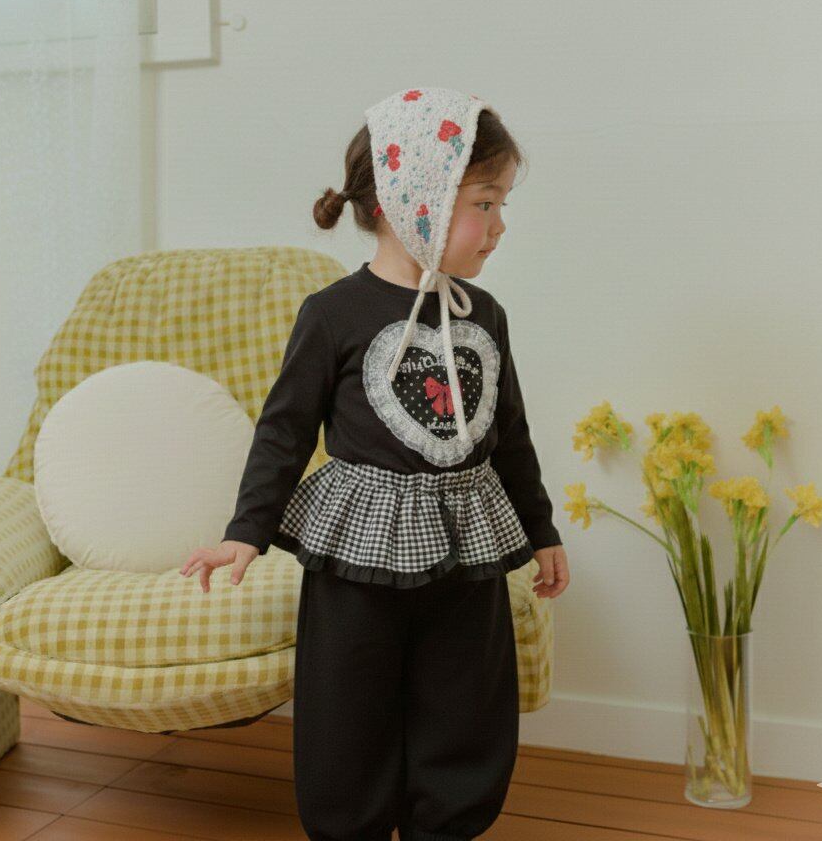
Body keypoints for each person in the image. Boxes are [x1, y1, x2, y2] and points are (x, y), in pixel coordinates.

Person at [181, 86, 570, 841]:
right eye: (483, 203)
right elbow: (284, 431)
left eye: (500, 205)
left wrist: (542, 530)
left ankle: (445, 825)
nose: (499, 225)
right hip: (359, 554)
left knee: (466, 704)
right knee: (348, 707)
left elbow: (510, 434)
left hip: (468, 548)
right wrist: (245, 531)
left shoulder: (485, 315)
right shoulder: (332, 314)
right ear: (412, 201)